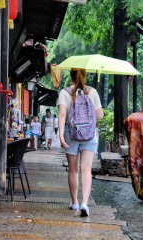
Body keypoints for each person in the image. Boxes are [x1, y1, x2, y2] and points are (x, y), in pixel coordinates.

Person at [58, 68, 104, 216]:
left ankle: (74, 202)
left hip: (71, 134)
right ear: (85, 75)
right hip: (89, 134)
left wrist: (60, 134)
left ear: (71, 76)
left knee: (73, 170)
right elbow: (100, 115)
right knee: (86, 169)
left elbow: (62, 114)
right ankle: (85, 202)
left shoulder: (65, 92)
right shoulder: (93, 92)